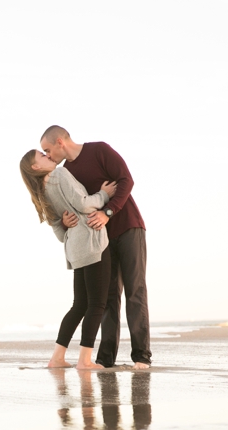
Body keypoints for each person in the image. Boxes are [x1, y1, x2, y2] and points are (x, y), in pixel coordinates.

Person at [40, 126, 152, 369]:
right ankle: (105, 359)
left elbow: (126, 181)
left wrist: (108, 213)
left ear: (60, 141)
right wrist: (64, 222)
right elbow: (73, 206)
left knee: (135, 291)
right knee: (109, 296)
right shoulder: (65, 172)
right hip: (99, 240)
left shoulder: (99, 150)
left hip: (128, 226)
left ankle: (141, 356)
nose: (47, 156)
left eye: (47, 150)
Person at [19, 149, 118, 370]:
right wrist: (104, 194)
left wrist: (67, 230)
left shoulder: (41, 191)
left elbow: (57, 228)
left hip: (74, 247)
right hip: (92, 243)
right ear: (36, 167)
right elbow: (84, 204)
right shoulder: (60, 174)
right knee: (97, 304)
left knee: (79, 305)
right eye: (43, 157)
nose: (49, 157)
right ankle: (84, 360)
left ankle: (57, 358)